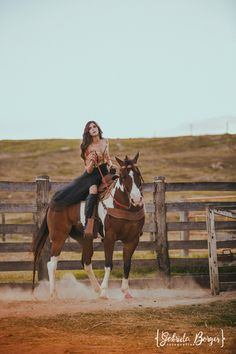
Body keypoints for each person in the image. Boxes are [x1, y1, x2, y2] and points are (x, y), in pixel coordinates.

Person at [49, 121, 115, 237]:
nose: (93, 129)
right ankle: (89, 224)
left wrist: (111, 165)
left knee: (119, 182)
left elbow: (107, 158)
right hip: (92, 174)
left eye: (94, 126)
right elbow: (88, 169)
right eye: (90, 128)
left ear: (98, 128)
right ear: (88, 132)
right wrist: (92, 162)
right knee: (93, 190)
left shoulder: (105, 141)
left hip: (104, 171)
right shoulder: (87, 147)